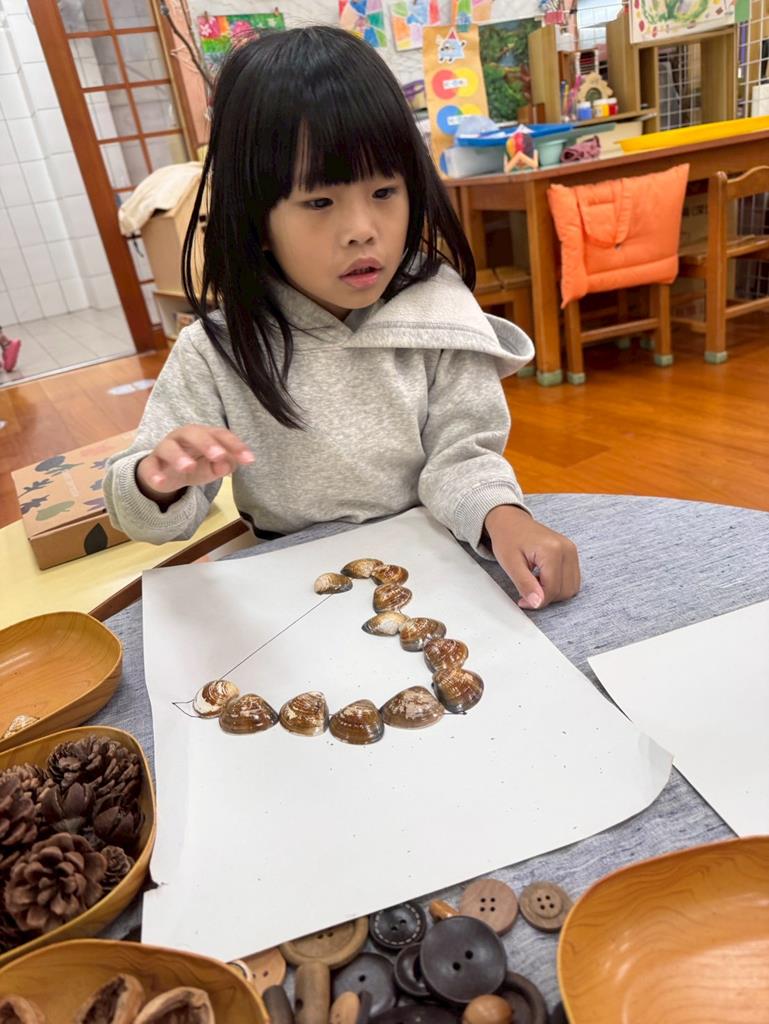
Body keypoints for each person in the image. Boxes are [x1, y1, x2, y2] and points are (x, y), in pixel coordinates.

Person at [104, 26, 580, 610]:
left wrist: (504, 517)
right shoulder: (216, 348)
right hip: (286, 587)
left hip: (427, 570)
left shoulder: (439, 315)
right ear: (256, 218)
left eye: (384, 192)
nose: (361, 229)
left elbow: (464, 457)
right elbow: (151, 520)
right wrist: (156, 480)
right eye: (320, 202)